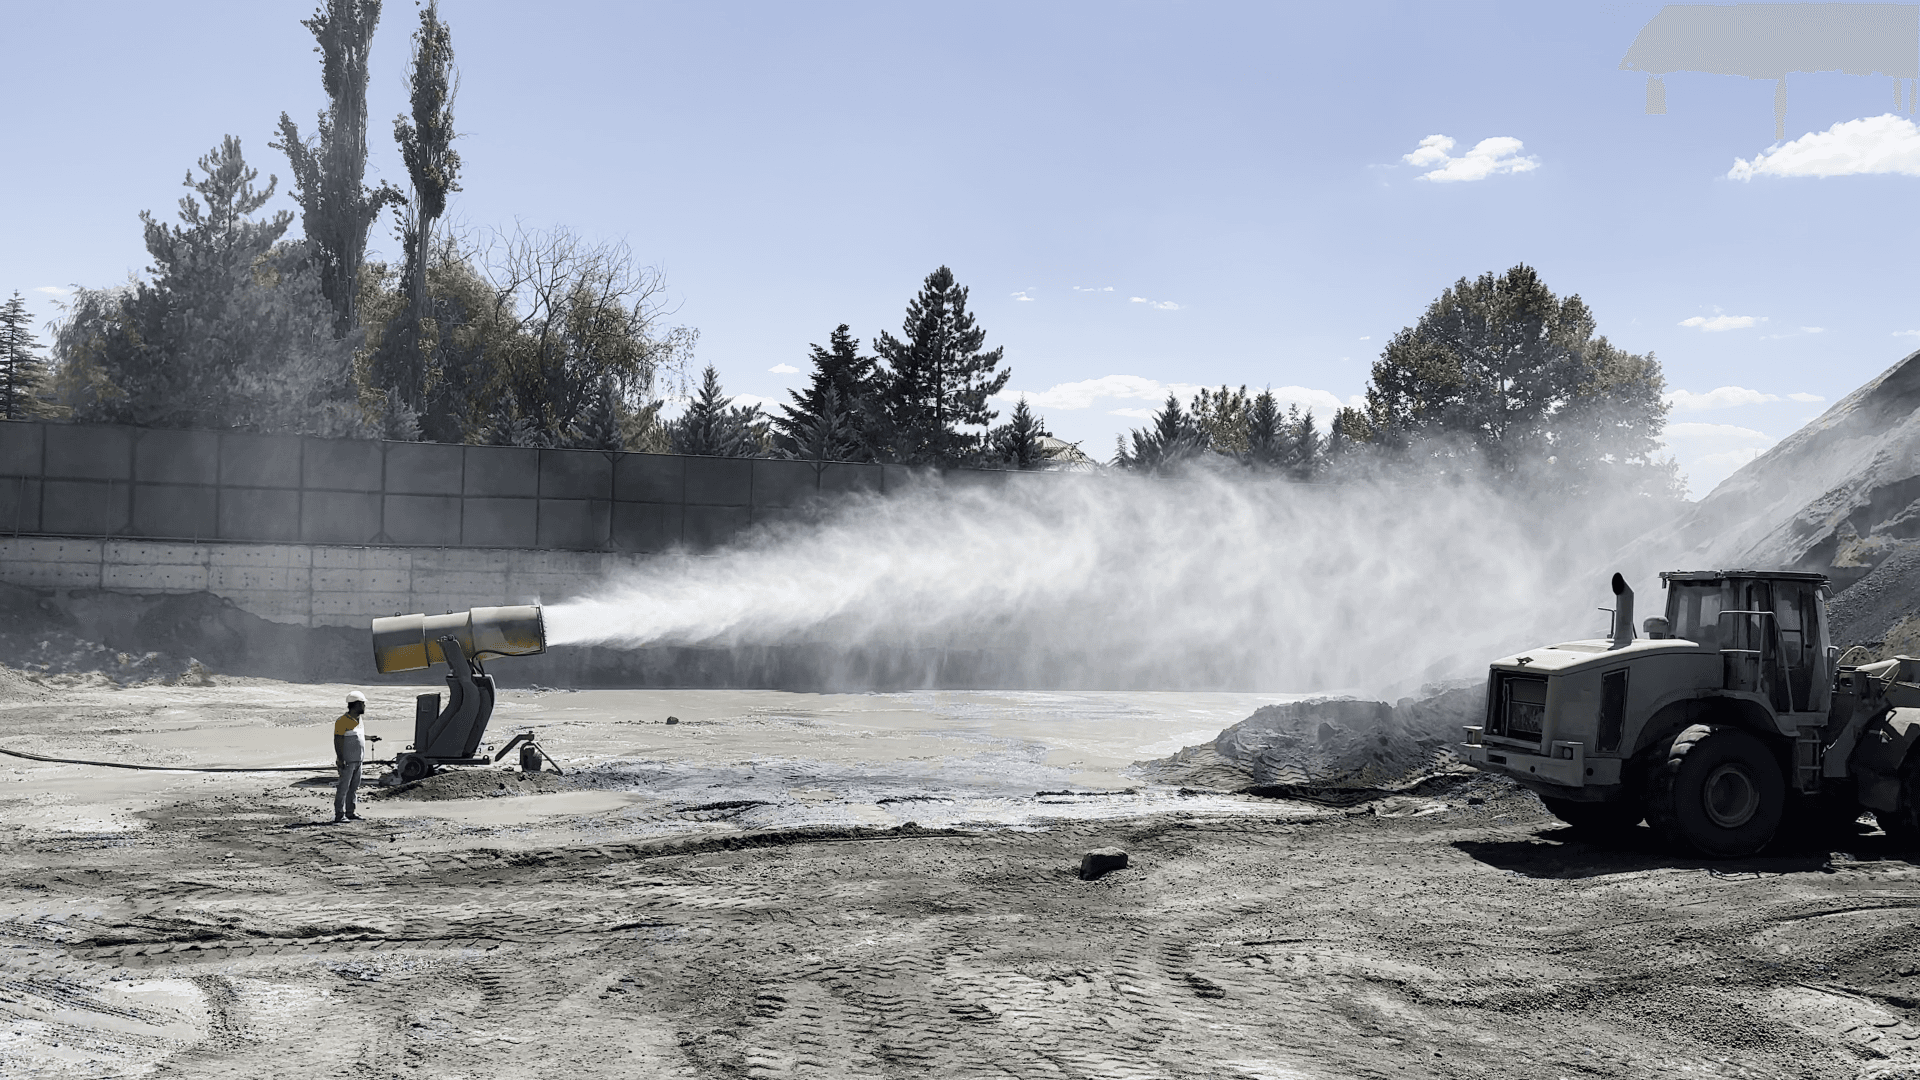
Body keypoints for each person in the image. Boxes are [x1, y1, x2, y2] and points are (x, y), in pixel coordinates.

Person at [332, 691, 379, 823]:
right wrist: (340, 758)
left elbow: (358, 735)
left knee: (353, 788)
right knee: (343, 788)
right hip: (348, 761)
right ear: (356, 705)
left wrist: (370, 738)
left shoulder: (359, 720)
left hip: (358, 760)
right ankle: (339, 814)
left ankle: (350, 812)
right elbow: (338, 740)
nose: (364, 707)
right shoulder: (342, 721)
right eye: (363, 704)